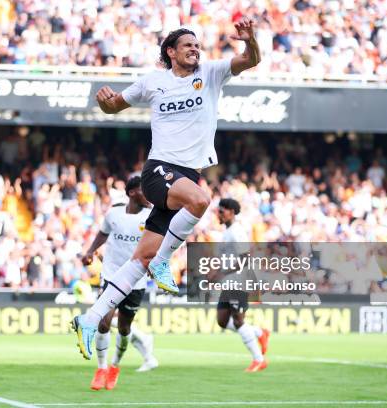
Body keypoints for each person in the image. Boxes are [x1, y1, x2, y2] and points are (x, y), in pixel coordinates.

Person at [72, 19, 261, 360]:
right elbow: (115, 104)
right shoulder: (153, 81)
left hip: (186, 175)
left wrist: (251, 41)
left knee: (138, 261)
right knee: (202, 201)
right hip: (160, 170)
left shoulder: (212, 72)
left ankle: (91, 318)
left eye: (196, 44)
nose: (194, 49)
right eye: (187, 45)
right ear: (171, 52)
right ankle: (163, 263)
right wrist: (104, 102)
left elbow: (250, 61)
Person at [81, 177, 158, 390]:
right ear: (132, 192)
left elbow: (156, 245)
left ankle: (115, 366)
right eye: (145, 191)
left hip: (136, 281)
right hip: (112, 276)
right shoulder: (114, 214)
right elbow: (103, 234)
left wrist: (155, 265)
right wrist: (90, 251)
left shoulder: (151, 217)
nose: (149, 195)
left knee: (124, 329)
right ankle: (101, 368)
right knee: (104, 322)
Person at [215, 198, 270, 372]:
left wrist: (223, 272)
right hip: (229, 281)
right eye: (218, 210)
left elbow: (245, 257)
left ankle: (259, 360)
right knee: (222, 321)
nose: (219, 214)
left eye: (222, 211)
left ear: (231, 212)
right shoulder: (227, 232)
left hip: (239, 281)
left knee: (238, 321)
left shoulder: (236, 231)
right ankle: (259, 332)